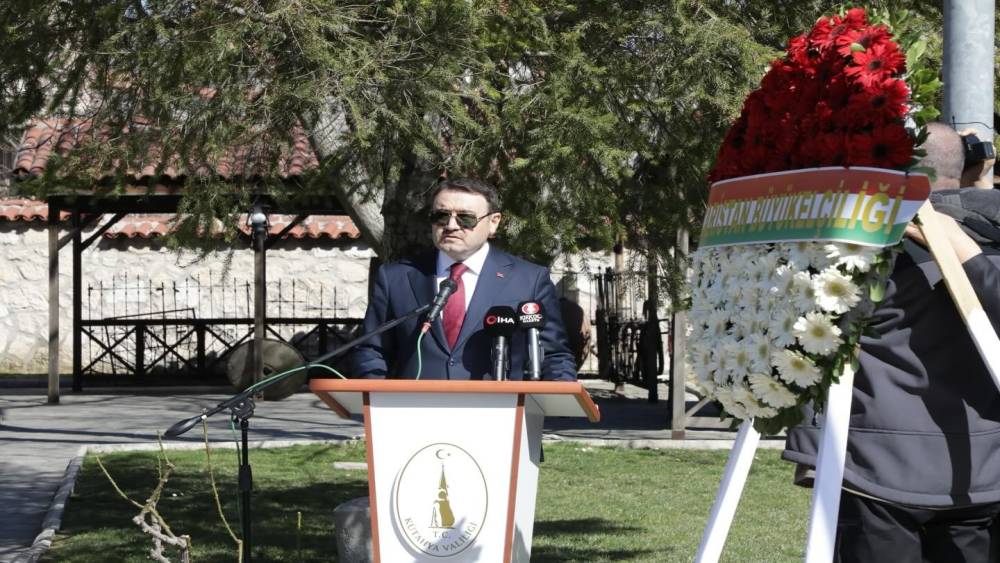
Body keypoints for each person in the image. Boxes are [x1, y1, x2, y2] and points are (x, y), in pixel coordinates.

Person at [782, 122, 1000, 562]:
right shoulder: (989, 231)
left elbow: (807, 341)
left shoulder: (854, 242)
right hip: (980, 466)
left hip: (875, 463)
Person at [352, 177, 577, 381]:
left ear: (494, 222)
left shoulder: (529, 279)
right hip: (416, 407)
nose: (451, 226)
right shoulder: (396, 277)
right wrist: (376, 398)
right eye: (441, 216)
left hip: (500, 408)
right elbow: (371, 350)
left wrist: (559, 400)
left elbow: (554, 356)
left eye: (466, 218)